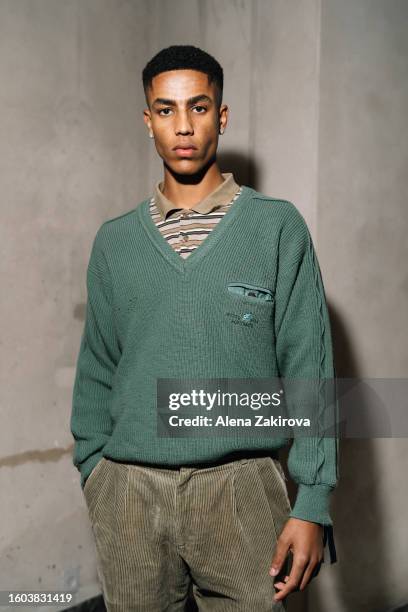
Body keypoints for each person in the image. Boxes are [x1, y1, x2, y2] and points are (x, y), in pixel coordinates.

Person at [70, 44, 339, 611]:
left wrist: (312, 499)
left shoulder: (275, 227)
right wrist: (97, 473)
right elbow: (97, 365)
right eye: (165, 111)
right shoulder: (115, 243)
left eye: (198, 107)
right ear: (148, 121)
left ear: (222, 115)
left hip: (242, 489)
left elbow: (307, 362)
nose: (183, 126)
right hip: (129, 492)